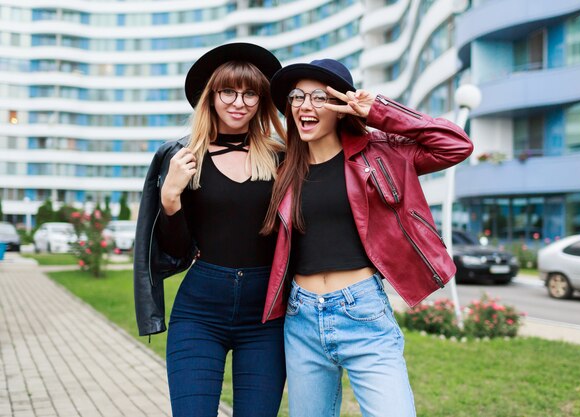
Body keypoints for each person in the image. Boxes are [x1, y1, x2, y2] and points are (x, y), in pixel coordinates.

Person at [259, 59, 473, 417]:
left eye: (319, 98)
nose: (305, 106)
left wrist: (377, 110)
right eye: (297, 97)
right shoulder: (282, 170)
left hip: (362, 312)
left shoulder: (382, 152)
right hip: (300, 319)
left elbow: (455, 144)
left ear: (342, 107)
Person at [133, 43, 287, 417]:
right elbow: (176, 248)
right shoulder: (184, 157)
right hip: (200, 310)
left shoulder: (282, 156)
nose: (239, 102)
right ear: (211, 97)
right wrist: (171, 197)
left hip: (265, 315)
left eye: (250, 93)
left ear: (261, 100)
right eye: (228, 92)